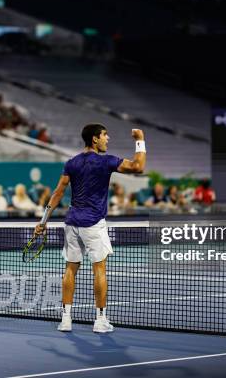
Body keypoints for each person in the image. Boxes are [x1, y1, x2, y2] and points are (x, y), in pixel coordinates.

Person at [33, 123, 146, 333]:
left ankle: (66, 319)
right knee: (99, 269)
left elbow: (57, 193)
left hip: (72, 222)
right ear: (95, 139)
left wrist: (42, 221)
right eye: (105, 135)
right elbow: (138, 167)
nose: (108, 139)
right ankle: (100, 320)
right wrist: (140, 139)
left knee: (70, 269)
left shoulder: (72, 162)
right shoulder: (106, 161)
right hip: (93, 223)